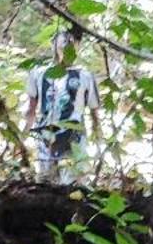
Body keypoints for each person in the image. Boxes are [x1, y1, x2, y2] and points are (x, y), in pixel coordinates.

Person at [24, 28, 101, 182]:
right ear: (53, 44)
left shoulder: (85, 76)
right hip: (46, 136)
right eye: (64, 42)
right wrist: (23, 135)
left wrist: (99, 139)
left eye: (73, 43)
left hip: (74, 139)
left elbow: (94, 112)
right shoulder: (39, 73)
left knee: (73, 186)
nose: (67, 47)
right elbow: (31, 108)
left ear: (78, 47)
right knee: (45, 185)